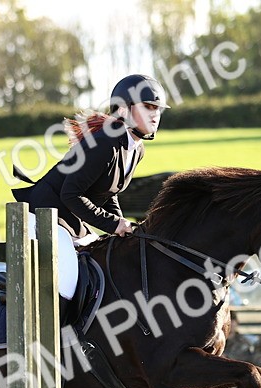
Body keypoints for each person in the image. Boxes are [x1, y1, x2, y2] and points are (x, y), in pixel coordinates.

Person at [11, 74, 168, 299]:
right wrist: (113, 224)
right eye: (147, 107)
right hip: (45, 215)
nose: (155, 114)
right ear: (123, 110)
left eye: (157, 109)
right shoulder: (105, 142)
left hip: (70, 218)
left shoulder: (136, 149)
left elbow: (109, 193)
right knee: (69, 284)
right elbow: (70, 194)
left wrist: (121, 225)